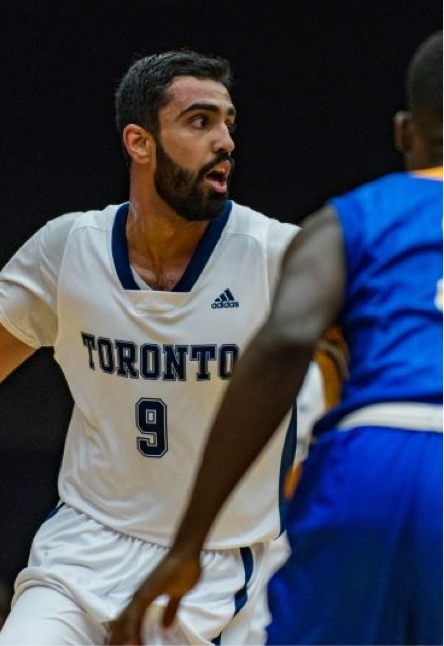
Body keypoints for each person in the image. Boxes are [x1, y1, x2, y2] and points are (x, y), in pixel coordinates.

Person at [0, 51, 302, 644]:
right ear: (139, 142)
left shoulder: (280, 257)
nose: (223, 141)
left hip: (215, 566)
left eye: (228, 123)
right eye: (200, 121)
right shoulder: (68, 248)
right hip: (82, 550)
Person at [111, 32, 443, 646]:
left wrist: (188, 544)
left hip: (377, 455)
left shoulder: (354, 215)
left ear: (404, 133)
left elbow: (287, 340)